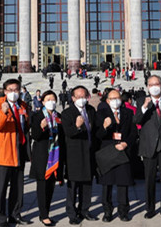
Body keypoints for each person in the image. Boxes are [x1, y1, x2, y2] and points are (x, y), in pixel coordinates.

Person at [134, 75, 161, 219]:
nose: (154, 86)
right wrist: (145, 107)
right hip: (149, 146)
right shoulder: (141, 101)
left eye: (156, 83)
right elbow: (137, 120)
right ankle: (150, 208)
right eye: (151, 84)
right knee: (149, 179)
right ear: (147, 87)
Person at [0, 79, 31, 227]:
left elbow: (27, 125)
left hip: (19, 150)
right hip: (4, 152)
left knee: (18, 187)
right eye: (10, 90)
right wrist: (3, 111)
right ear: (5, 91)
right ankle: (0, 218)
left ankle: (15, 214)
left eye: (16, 90)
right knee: (0, 189)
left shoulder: (23, 105)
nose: (14, 93)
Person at [95, 89, 138, 222]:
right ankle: (107, 211)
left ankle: (123, 210)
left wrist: (126, 143)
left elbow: (133, 133)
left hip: (122, 151)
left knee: (123, 182)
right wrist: (105, 127)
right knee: (107, 184)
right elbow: (98, 135)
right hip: (108, 151)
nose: (116, 101)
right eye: (112, 99)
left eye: (118, 98)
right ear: (107, 101)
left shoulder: (128, 112)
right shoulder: (101, 113)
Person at [61, 86, 98, 224]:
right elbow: (68, 132)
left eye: (84, 96)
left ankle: (85, 210)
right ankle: (72, 213)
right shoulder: (67, 113)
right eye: (79, 96)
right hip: (74, 154)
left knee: (87, 183)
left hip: (89, 151)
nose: (82, 99)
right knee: (73, 186)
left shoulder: (90, 110)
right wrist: (77, 126)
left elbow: (95, 130)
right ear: (73, 98)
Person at [30, 91, 65, 226]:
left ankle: (47, 212)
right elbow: (35, 136)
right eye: (48, 99)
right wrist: (41, 127)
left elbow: (62, 136)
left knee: (50, 187)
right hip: (42, 155)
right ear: (43, 102)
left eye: (53, 99)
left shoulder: (58, 117)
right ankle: (43, 215)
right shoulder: (37, 116)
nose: (51, 101)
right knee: (42, 186)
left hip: (55, 155)